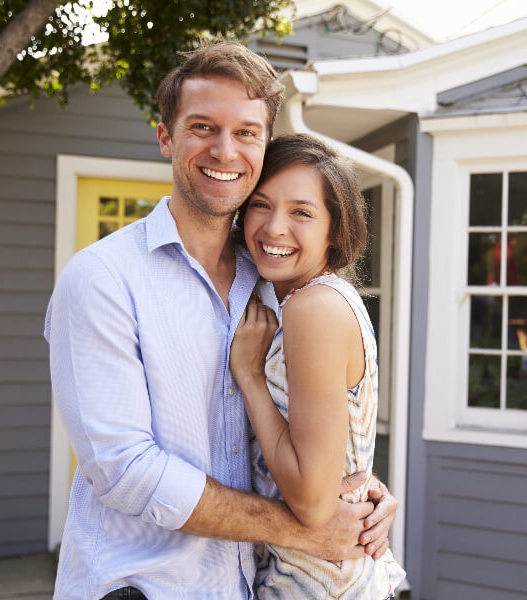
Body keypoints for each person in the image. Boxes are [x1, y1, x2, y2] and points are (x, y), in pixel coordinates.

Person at [44, 42, 398, 600]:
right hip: (139, 587)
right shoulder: (104, 279)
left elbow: (309, 426)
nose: (225, 149)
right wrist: (309, 524)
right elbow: (125, 470)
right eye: (203, 127)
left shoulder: (274, 276)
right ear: (166, 137)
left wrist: (357, 490)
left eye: (246, 133)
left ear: (263, 146)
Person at [229, 134, 406, 599]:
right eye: (261, 205)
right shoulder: (308, 300)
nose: (273, 227)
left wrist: (250, 378)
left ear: (336, 228)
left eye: (301, 213)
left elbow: (310, 500)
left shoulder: (313, 310)